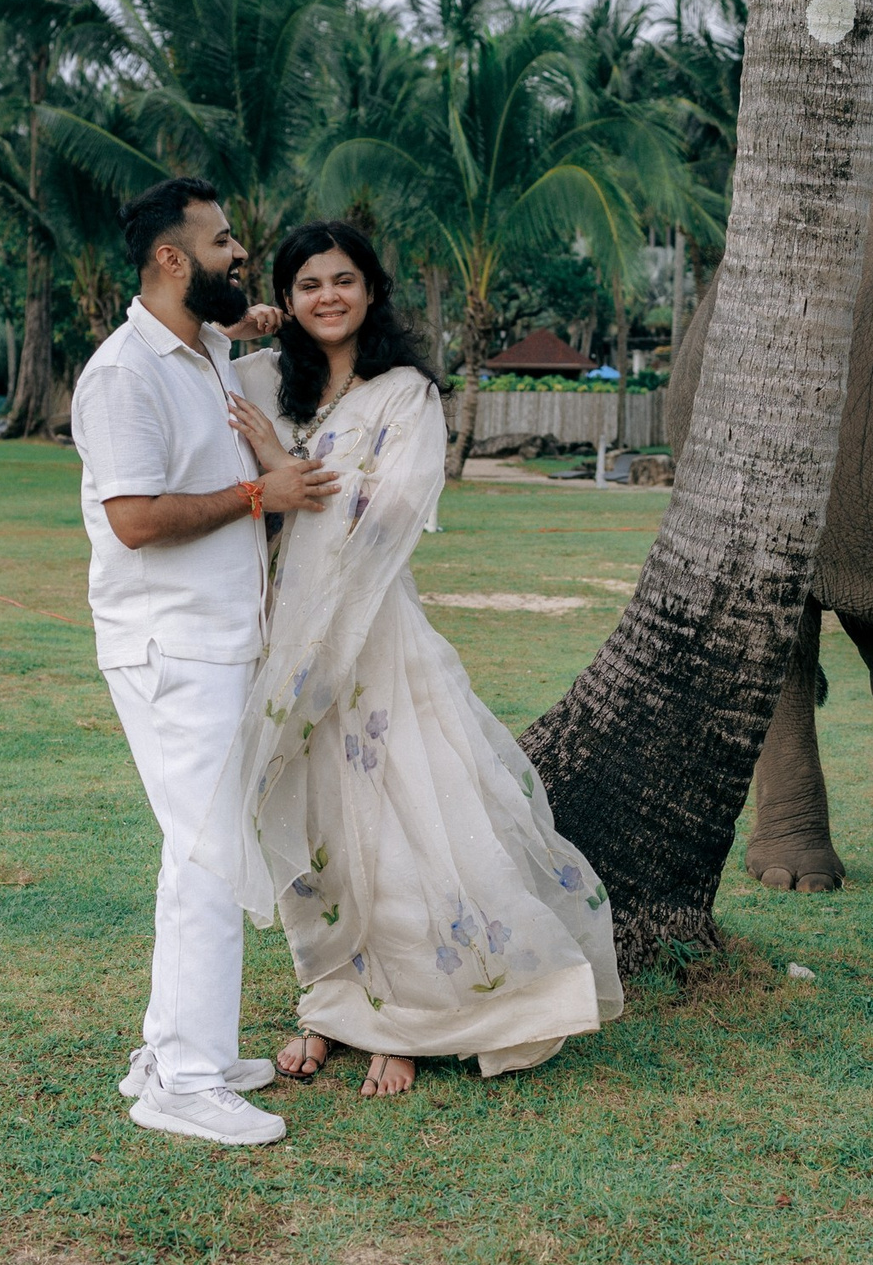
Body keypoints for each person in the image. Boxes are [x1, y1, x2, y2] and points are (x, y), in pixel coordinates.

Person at [201, 221, 625, 1099]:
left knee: (398, 828)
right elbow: (187, 355)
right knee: (314, 823)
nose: (327, 296)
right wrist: (231, 327)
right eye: (308, 283)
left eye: (343, 279)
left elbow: (390, 515)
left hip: (374, 635)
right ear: (286, 298)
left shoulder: (406, 394)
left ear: (371, 289)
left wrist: (283, 465)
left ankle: (408, 1022)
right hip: (285, 638)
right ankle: (333, 1006)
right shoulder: (264, 379)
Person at [74, 177, 331, 1147]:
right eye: (222, 242)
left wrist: (253, 318)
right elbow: (135, 520)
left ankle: (178, 1051)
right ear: (170, 258)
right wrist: (260, 496)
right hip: (170, 645)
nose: (240, 253)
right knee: (209, 853)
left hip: (220, 636)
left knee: (199, 847)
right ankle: (183, 1082)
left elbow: (241, 326)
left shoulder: (205, 349)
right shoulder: (122, 376)